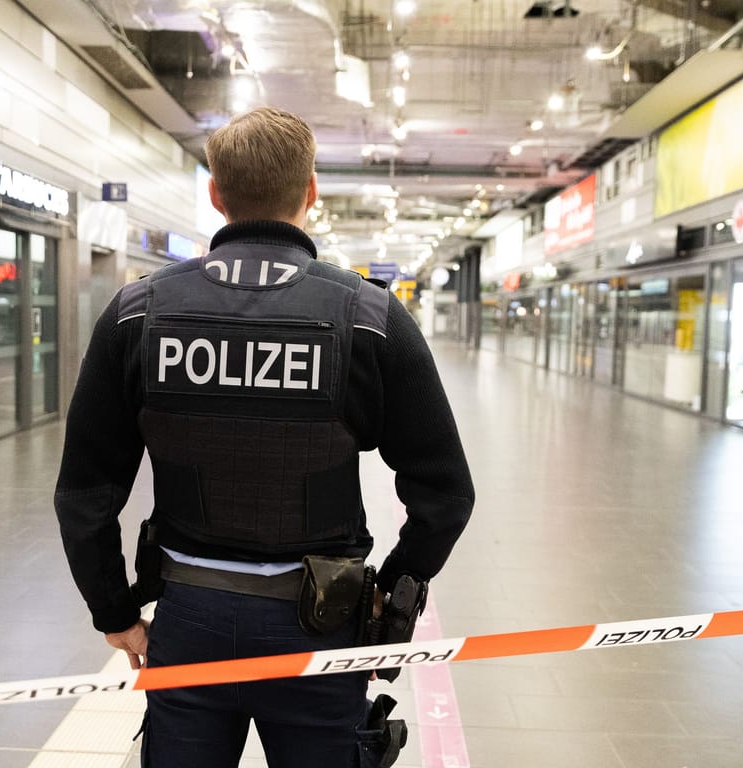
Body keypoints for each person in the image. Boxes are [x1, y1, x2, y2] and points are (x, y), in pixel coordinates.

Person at [54, 106, 474, 768]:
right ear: (310, 192)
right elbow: (445, 493)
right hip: (320, 622)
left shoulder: (138, 313)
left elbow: (87, 488)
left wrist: (114, 610)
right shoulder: (367, 320)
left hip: (188, 617)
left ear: (217, 196)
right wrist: (388, 600)